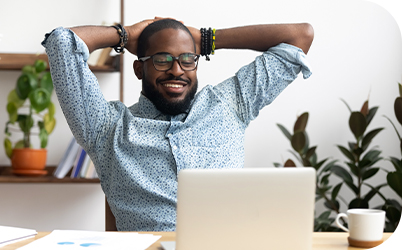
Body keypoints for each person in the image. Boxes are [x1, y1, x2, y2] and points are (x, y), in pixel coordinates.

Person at [41, 17, 314, 231]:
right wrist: (125, 36)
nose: (177, 70)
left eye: (187, 59)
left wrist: (205, 39)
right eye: (162, 60)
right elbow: (62, 43)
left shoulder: (230, 104)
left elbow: (299, 36)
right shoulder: (105, 127)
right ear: (139, 69)